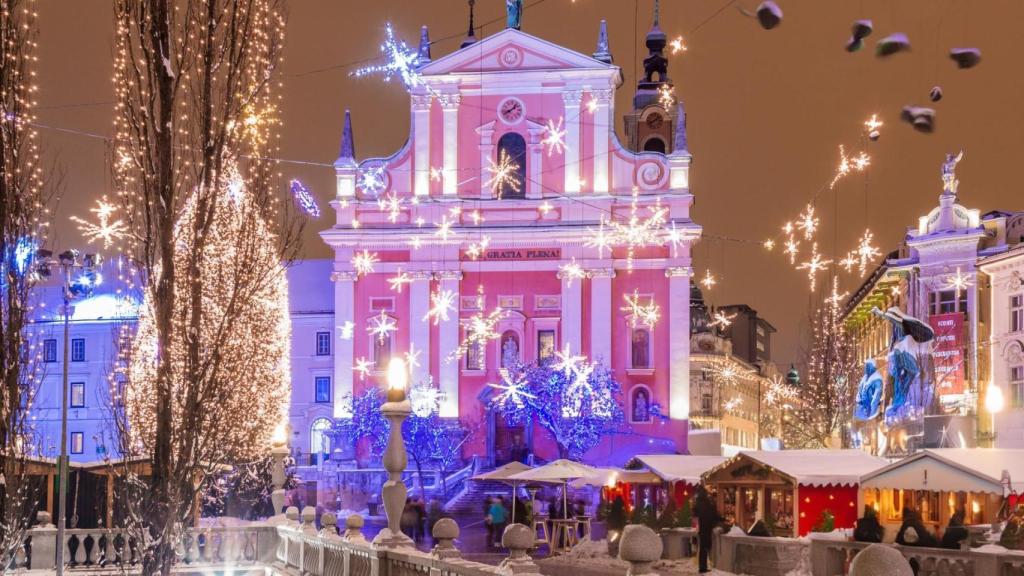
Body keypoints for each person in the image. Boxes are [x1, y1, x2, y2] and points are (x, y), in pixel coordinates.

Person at [694, 486, 723, 574]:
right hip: (707, 527)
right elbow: (712, 513)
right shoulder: (707, 502)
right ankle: (704, 567)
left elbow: (695, 514)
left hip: (702, 526)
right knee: (705, 547)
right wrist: (721, 519)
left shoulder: (698, 502)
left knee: (703, 547)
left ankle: (703, 566)